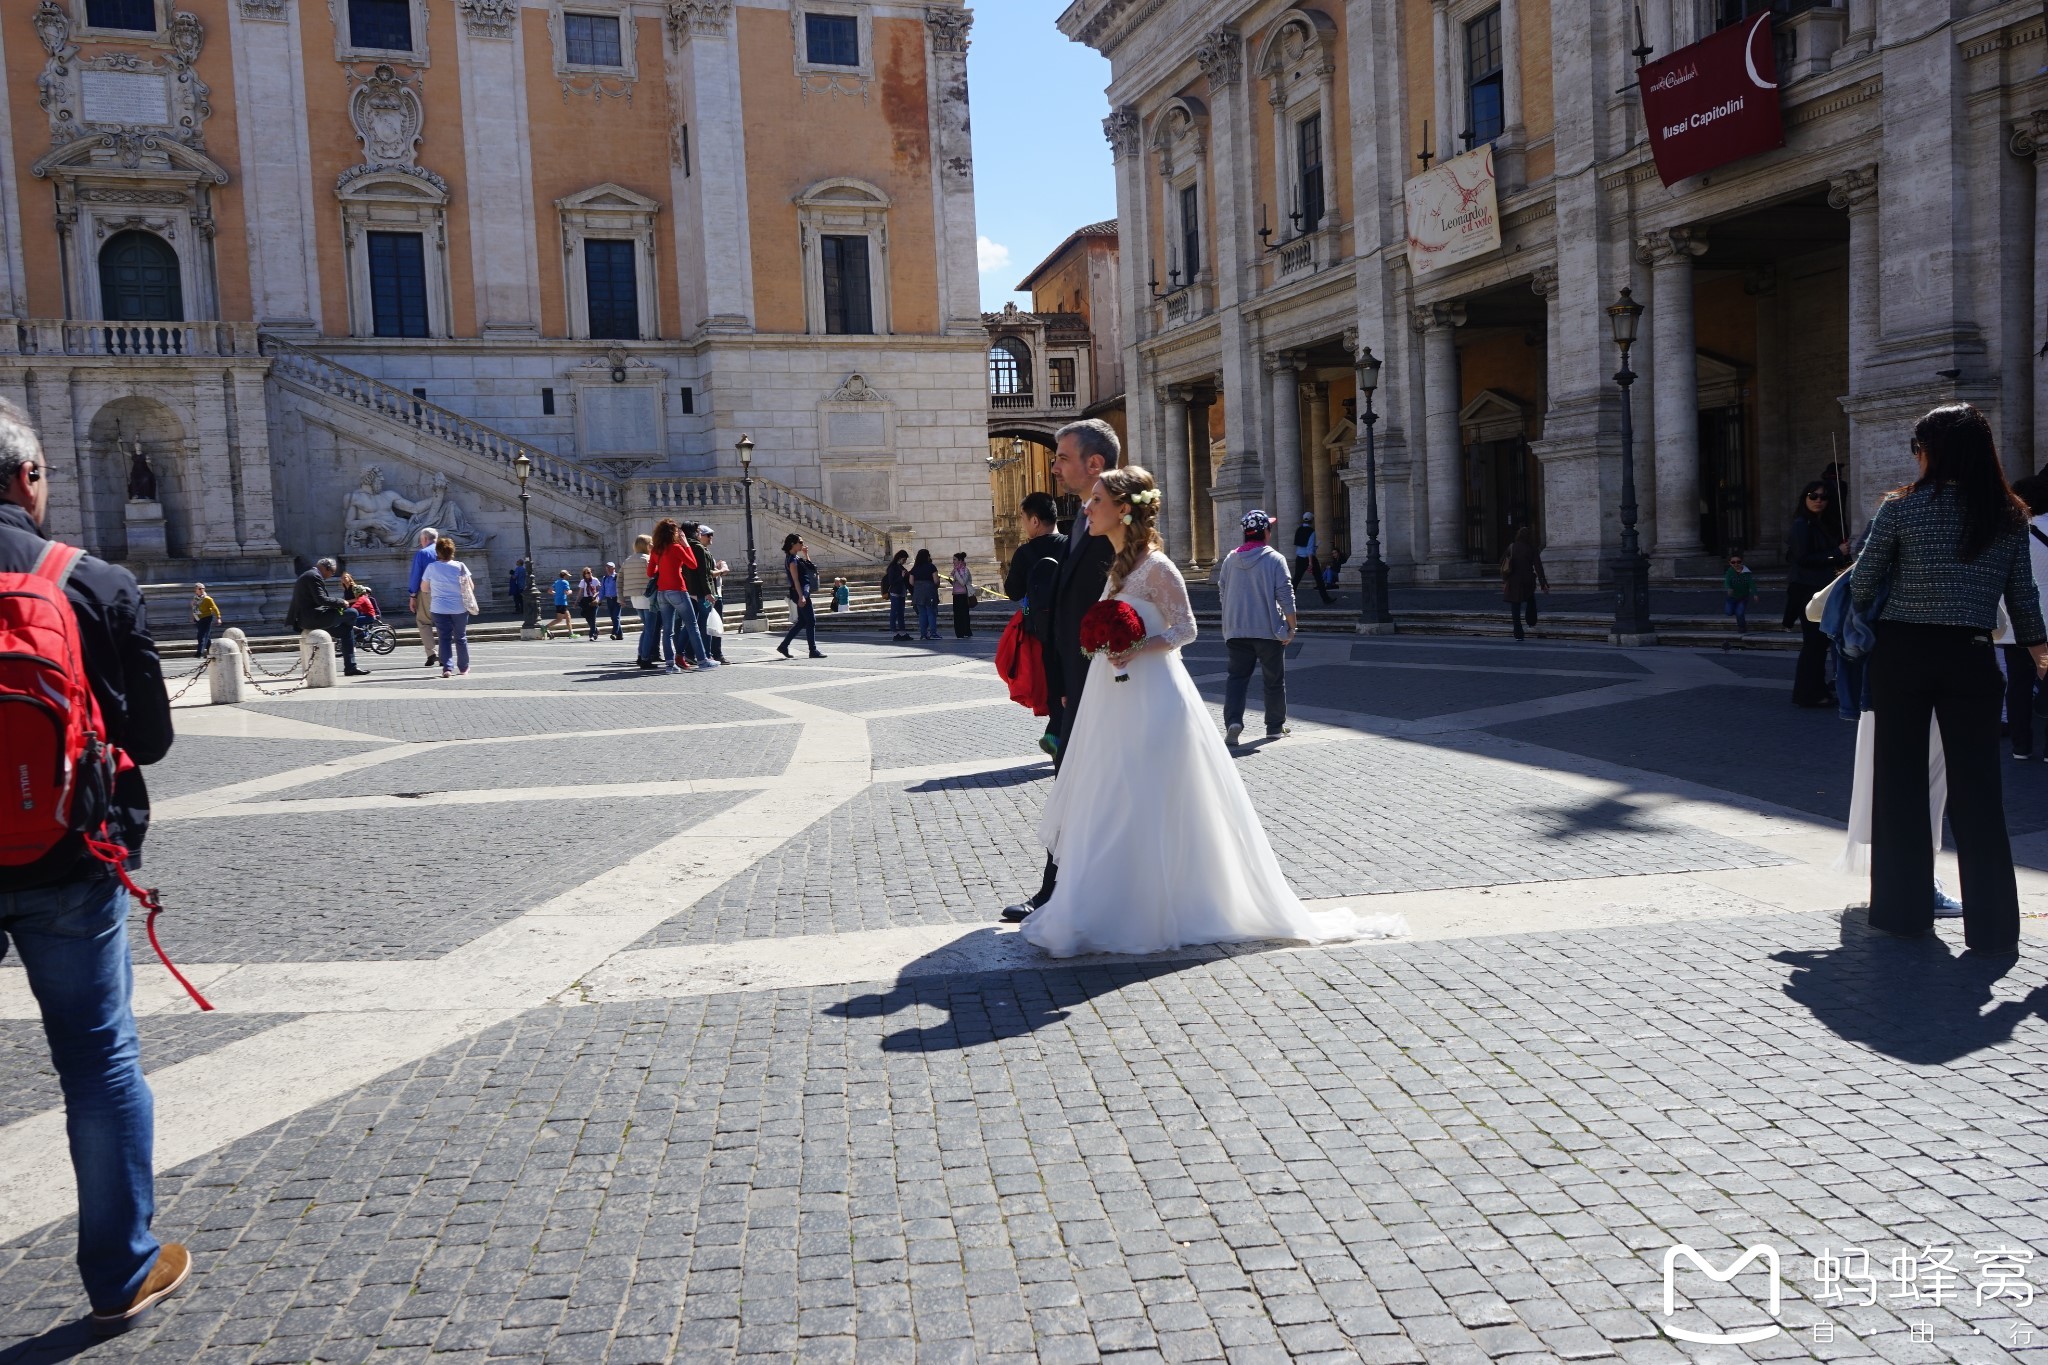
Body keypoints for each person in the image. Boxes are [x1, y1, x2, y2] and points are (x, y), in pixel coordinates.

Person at [1018, 466, 1405, 959]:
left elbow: (1186, 630)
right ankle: (1109, 901)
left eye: (1096, 500)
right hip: (1113, 695)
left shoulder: (1158, 567)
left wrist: (1137, 645)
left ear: (1124, 508)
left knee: (1151, 798)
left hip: (1154, 695)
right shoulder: (1118, 566)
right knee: (1113, 796)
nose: (1087, 508)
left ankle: (1161, 906)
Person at [0, 400, 187, 1332]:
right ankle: (122, 1268)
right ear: (29, 477)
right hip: (70, 853)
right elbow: (148, 735)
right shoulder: (93, 580)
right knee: (99, 1059)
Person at [1849, 403, 2047, 956]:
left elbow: (1864, 585)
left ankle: (1903, 913)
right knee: (1979, 793)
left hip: (1904, 656)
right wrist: (2038, 653)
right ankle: (1993, 930)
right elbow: (2023, 599)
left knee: (1902, 784)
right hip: (1972, 658)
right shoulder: (2009, 516)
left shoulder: (1902, 509)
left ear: (1931, 452)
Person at [1002, 419, 1121, 924]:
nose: (1054, 465)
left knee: (1085, 787)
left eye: (1062, 456)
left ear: (1095, 464)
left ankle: (1062, 890)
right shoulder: (1080, 520)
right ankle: (1062, 886)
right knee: (1071, 785)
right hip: (1074, 687)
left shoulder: (1114, 525)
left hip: (1100, 685)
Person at [1215, 509, 1297, 746]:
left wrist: (1233, 614)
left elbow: (1222, 590)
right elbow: (1285, 595)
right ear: (1266, 532)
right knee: (1273, 680)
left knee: (1237, 679)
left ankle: (1233, 722)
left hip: (1236, 630)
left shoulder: (1230, 559)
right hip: (1268, 631)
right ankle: (1274, 726)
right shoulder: (1275, 559)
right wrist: (1292, 626)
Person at [1787, 481, 1850, 704]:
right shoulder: (1801, 525)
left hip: (1819, 589)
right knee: (1814, 643)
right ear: (1804, 498)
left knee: (1819, 643)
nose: (1818, 500)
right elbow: (1803, 558)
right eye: (1813, 496)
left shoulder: (1819, 524)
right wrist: (1836, 553)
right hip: (1807, 591)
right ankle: (1807, 694)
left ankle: (1817, 690)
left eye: (1823, 497)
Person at [2000, 473, 2048, 758]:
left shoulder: (2007, 532)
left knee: (2018, 682)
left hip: (2017, 625)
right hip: (2047, 625)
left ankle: (2021, 745)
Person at [287, 557, 369, 676]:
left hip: (312, 618)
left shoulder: (310, 575)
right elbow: (320, 600)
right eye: (332, 572)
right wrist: (341, 602)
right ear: (326, 568)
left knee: (347, 631)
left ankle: (351, 667)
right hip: (313, 618)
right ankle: (354, 627)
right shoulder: (313, 576)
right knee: (352, 613)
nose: (331, 575)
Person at [649, 518, 704, 674]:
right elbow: (693, 564)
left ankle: (670, 664)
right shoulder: (676, 548)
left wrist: (663, 569)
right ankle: (702, 660)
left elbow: (650, 573)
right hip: (677, 590)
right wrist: (686, 545)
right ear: (672, 533)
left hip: (661, 592)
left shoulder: (656, 550)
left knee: (667, 630)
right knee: (692, 625)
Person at [420, 536, 479, 678]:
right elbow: (471, 586)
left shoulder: (431, 567)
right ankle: (464, 667)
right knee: (461, 637)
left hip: (439, 608)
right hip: (459, 607)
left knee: (444, 638)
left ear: (438, 552)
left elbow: (424, 588)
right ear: (452, 551)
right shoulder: (460, 566)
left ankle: (447, 667)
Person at [676, 527, 720, 669]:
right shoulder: (698, 548)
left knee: (690, 625)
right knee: (703, 625)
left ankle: (680, 654)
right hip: (701, 593)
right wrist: (708, 592)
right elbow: (704, 573)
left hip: (689, 591)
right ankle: (705, 656)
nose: (700, 533)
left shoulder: (682, 546)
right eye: (698, 531)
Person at [777, 533, 825, 659]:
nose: (803, 544)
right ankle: (812, 650)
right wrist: (801, 596)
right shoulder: (792, 560)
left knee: (802, 621)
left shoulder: (796, 557)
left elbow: (810, 568)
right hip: (800, 592)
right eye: (801, 542)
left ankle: (784, 645)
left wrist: (805, 554)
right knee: (811, 621)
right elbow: (796, 580)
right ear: (793, 544)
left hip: (803, 591)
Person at [1500, 526, 1547, 642]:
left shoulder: (1512, 547)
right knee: (1530, 599)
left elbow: (1503, 563)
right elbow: (1538, 566)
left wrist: (1504, 580)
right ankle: (1531, 620)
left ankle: (1518, 634)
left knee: (1515, 607)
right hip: (1528, 579)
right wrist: (1543, 582)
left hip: (1513, 580)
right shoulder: (1532, 548)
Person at [405, 526, 440, 668]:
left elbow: (416, 575)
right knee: (443, 624)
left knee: (424, 622)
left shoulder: (422, 553)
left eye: (421, 540)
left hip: (426, 592)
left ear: (425, 539)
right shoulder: (445, 551)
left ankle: (431, 653)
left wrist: (412, 595)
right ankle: (445, 656)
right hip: (444, 592)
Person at [692, 526, 727, 664]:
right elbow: (706, 574)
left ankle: (712, 653)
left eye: (711, 535)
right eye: (708, 535)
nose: (710, 537)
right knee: (708, 626)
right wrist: (722, 570)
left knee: (712, 625)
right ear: (699, 536)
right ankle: (711, 654)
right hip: (709, 594)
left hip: (713, 593)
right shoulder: (700, 551)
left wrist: (716, 568)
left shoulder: (705, 551)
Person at [626, 534, 659, 670]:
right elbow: (654, 574)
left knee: (646, 628)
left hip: (635, 598)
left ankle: (641, 655)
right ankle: (645, 658)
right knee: (650, 629)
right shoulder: (648, 559)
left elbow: (621, 578)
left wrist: (621, 597)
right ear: (647, 545)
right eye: (651, 543)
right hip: (648, 597)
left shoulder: (628, 560)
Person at [1291, 512, 1334, 604]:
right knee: (1319, 579)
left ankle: (1289, 600)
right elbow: (1309, 549)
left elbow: (1299, 546)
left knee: (1296, 580)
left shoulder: (1298, 530)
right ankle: (1326, 599)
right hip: (1309, 558)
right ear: (1312, 520)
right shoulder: (1311, 532)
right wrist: (1310, 562)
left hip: (1299, 557)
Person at [910, 548, 942, 641]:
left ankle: (923, 634)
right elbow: (936, 581)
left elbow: (911, 582)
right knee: (931, 613)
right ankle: (933, 633)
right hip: (929, 592)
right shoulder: (931, 567)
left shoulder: (914, 568)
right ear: (927, 556)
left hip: (918, 592)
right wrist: (937, 583)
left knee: (922, 614)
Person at [883, 549, 912, 641]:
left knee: (901, 613)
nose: (905, 561)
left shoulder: (900, 567)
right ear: (899, 558)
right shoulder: (893, 567)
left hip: (902, 592)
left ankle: (902, 631)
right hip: (895, 592)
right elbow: (892, 581)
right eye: (904, 559)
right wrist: (902, 577)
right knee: (894, 611)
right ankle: (894, 630)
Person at [1723, 551, 1756, 633]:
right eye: (1733, 562)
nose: (1736, 564)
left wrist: (1755, 593)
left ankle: (1742, 627)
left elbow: (1751, 583)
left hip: (1743, 597)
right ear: (1730, 563)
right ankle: (1736, 610)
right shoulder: (1729, 572)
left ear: (1742, 562)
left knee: (1739, 613)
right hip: (1731, 597)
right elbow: (1727, 582)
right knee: (1729, 612)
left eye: (1738, 562)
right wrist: (1729, 588)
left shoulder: (1746, 572)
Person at [950, 552, 976, 638]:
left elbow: (963, 582)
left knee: (964, 613)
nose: (953, 561)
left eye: (955, 559)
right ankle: (959, 632)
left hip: (964, 595)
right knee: (957, 614)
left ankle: (966, 631)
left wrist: (956, 573)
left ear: (960, 560)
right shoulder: (955, 570)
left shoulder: (965, 570)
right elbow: (957, 582)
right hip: (956, 594)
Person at [190, 582, 220, 657]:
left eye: (203, 588)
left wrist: (218, 618)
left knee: (201, 635)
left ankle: (200, 652)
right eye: (199, 589)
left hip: (207, 618)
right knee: (207, 636)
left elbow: (214, 608)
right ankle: (210, 652)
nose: (201, 590)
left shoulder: (207, 599)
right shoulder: (195, 598)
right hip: (198, 619)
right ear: (196, 590)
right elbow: (194, 609)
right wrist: (193, 617)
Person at [575, 566, 602, 641]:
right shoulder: (583, 581)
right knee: (587, 617)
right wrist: (576, 602)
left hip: (594, 599)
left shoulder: (595, 580)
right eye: (586, 573)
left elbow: (600, 590)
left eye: (589, 572)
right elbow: (580, 592)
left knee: (593, 618)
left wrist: (596, 595)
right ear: (584, 574)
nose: (588, 574)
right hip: (586, 600)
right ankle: (596, 629)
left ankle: (592, 635)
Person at [600, 562, 623, 640]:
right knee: (613, 617)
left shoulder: (617, 577)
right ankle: (620, 635)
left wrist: (622, 599)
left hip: (617, 598)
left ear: (614, 568)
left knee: (616, 616)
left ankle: (614, 633)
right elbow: (602, 589)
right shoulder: (605, 578)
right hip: (609, 599)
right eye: (607, 567)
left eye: (610, 567)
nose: (608, 569)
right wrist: (599, 599)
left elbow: (621, 588)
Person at [548, 570, 573, 637]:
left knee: (568, 617)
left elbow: (550, 591)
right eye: (567, 576)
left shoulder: (556, 582)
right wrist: (570, 591)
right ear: (564, 575)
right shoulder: (565, 582)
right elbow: (566, 592)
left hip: (557, 601)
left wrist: (556, 594)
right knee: (559, 619)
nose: (568, 577)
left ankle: (571, 633)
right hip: (562, 602)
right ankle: (545, 627)